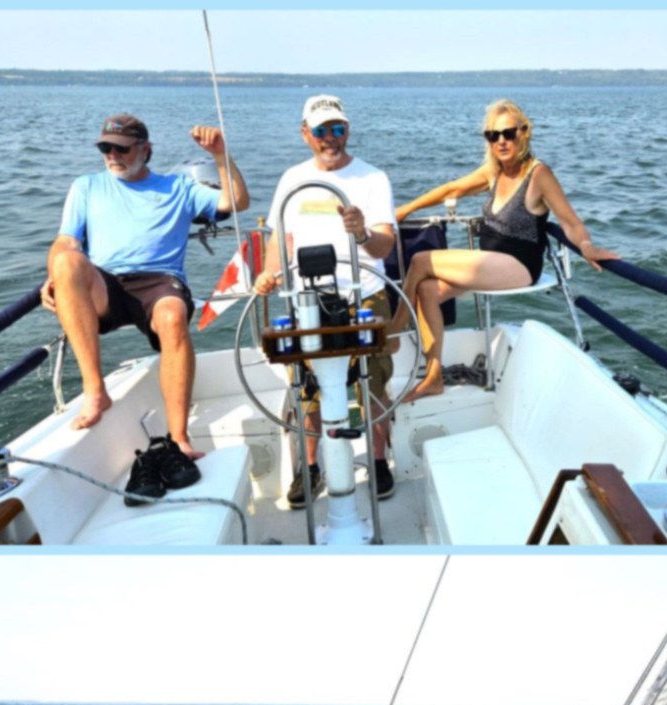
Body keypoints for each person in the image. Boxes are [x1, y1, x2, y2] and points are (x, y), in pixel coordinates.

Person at [43, 115, 251, 493]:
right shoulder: (86, 187)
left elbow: (236, 202)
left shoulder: (179, 187)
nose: (112, 155)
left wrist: (221, 157)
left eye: (121, 148)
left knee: (173, 315)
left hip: (160, 281)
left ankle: (178, 437)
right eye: (105, 147)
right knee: (66, 262)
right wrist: (54, 276)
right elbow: (65, 242)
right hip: (107, 282)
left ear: (146, 149)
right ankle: (96, 392)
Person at [391, 99, 618, 402]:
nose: (501, 141)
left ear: (524, 133)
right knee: (428, 290)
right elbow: (450, 189)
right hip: (489, 261)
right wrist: (405, 210)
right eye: (493, 136)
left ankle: (391, 333)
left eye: (508, 133)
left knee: (421, 260)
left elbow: (570, 221)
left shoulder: (538, 175)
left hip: (519, 265)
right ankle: (433, 377)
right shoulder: (493, 172)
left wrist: (587, 246)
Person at [253, 94, 397, 506]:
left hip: (365, 296)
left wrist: (363, 233)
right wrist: (269, 273)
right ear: (305, 135)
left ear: (347, 131)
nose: (330, 139)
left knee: (374, 383)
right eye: (321, 131)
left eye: (338, 129)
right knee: (306, 389)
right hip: (305, 302)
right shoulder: (291, 179)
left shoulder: (373, 179)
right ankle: (311, 467)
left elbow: (385, 246)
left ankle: (379, 459)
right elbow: (282, 239)